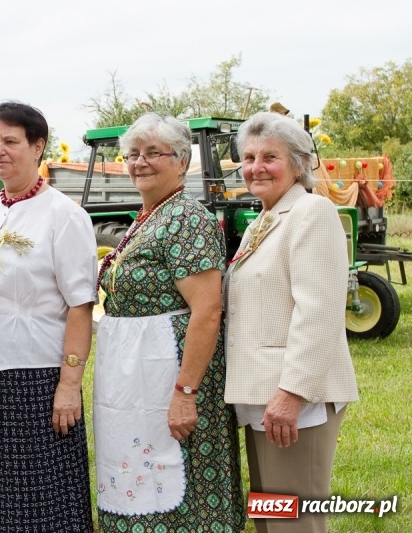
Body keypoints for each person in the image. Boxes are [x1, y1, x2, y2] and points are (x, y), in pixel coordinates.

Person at [94, 113, 245, 532]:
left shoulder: (188, 219)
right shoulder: (148, 216)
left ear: (181, 162)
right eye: (132, 154)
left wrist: (185, 393)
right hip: (137, 375)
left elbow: (207, 311)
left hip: (172, 372)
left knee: (181, 481)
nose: (139, 162)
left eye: (153, 153)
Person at [0, 101, 97, 532]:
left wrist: (70, 385)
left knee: (41, 489)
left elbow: (80, 303)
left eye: (11, 141)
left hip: (38, 375)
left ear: (38, 147)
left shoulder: (65, 215)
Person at [225, 111, 359, 533]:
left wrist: (292, 392)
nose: (256, 167)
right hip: (262, 396)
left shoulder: (311, 211)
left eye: (270, 157)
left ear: (299, 164)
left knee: (296, 523)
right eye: (249, 158)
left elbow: (318, 311)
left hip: (293, 400)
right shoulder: (264, 219)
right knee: (272, 519)